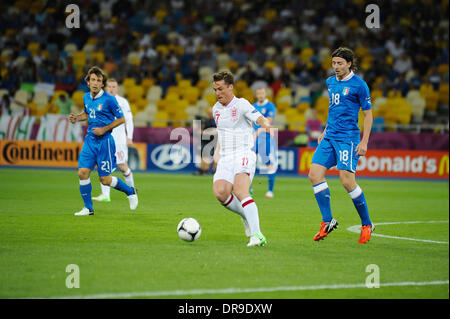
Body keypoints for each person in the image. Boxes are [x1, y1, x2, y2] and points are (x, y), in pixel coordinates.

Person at [308, 47, 374, 244]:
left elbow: (368, 114)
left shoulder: (359, 85)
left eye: (339, 63)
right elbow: (333, 109)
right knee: (314, 175)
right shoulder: (330, 82)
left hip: (348, 138)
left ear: (349, 64)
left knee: (346, 181)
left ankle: (367, 223)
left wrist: (364, 141)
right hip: (330, 136)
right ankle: (327, 221)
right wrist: (325, 130)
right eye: (333, 63)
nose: (335, 67)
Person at [211, 70, 272, 247]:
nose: (217, 93)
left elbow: (260, 118)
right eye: (215, 89)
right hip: (225, 157)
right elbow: (223, 134)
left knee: (240, 190)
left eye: (220, 89)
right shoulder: (216, 109)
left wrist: (266, 124)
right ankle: (246, 215)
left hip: (243, 153)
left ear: (230, 87)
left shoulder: (242, 104)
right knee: (221, 192)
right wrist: (216, 152)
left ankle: (257, 235)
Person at [69, 66, 138, 216]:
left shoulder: (109, 99)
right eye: (93, 80)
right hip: (90, 141)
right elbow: (87, 113)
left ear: (102, 84)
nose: (95, 83)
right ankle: (88, 208)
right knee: (82, 172)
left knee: (105, 180)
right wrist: (77, 118)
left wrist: (104, 129)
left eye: (98, 81)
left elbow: (121, 119)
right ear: (88, 82)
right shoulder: (86, 97)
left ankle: (130, 191)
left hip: (105, 142)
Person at [92, 78, 135, 202]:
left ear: (117, 88)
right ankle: (105, 195)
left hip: (119, 141)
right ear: (105, 88)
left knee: (122, 166)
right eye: (109, 86)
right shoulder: (100, 101)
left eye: (114, 87)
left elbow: (129, 120)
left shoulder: (122, 102)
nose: (111, 88)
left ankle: (132, 190)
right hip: (105, 139)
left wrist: (129, 137)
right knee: (103, 165)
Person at [251, 87, 277, 198]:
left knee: (267, 162)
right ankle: (248, 187)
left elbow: (268, 122)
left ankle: (270, 190)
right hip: (253, 138)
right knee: (249, 160)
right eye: (258, 93)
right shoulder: (253, 106)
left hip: (264, 137)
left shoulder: (270, 106)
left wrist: (257, 133)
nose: (260, 95)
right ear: (256, 95)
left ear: (265, 94)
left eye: (262, 93)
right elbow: (250, 122)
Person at [193, 107, 217, 175]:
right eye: (209, 113)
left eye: (211, 113)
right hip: (204, 140)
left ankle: (208, 170)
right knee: (203, 155)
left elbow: (214, 131)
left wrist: (202, 132)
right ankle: (202, 170)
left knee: (208, 156)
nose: (209, 114)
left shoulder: (215, 121)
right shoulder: (207, 120)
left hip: (212, 141)